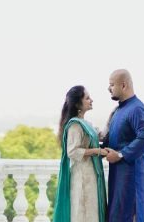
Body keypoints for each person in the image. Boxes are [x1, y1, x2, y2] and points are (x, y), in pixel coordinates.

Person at [103, 69, 144, 222]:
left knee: (132, 215)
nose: (108, 89)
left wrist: (119, 155)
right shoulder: (119, 110)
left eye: (112, 85)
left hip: (132, 177)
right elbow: (112, 139)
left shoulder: (137, 108)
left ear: (123, 85)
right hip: (119, 176)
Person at [53, 86, 109, 222]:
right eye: (87, 98)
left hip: (90, 174)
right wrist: (98, 151)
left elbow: (100, 136)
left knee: (91, 212)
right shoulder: (75, 126)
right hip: (82, 177)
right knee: (83, 213)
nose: (91, 100)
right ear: (78, 104)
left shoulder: (85, 123)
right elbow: (72, 151)